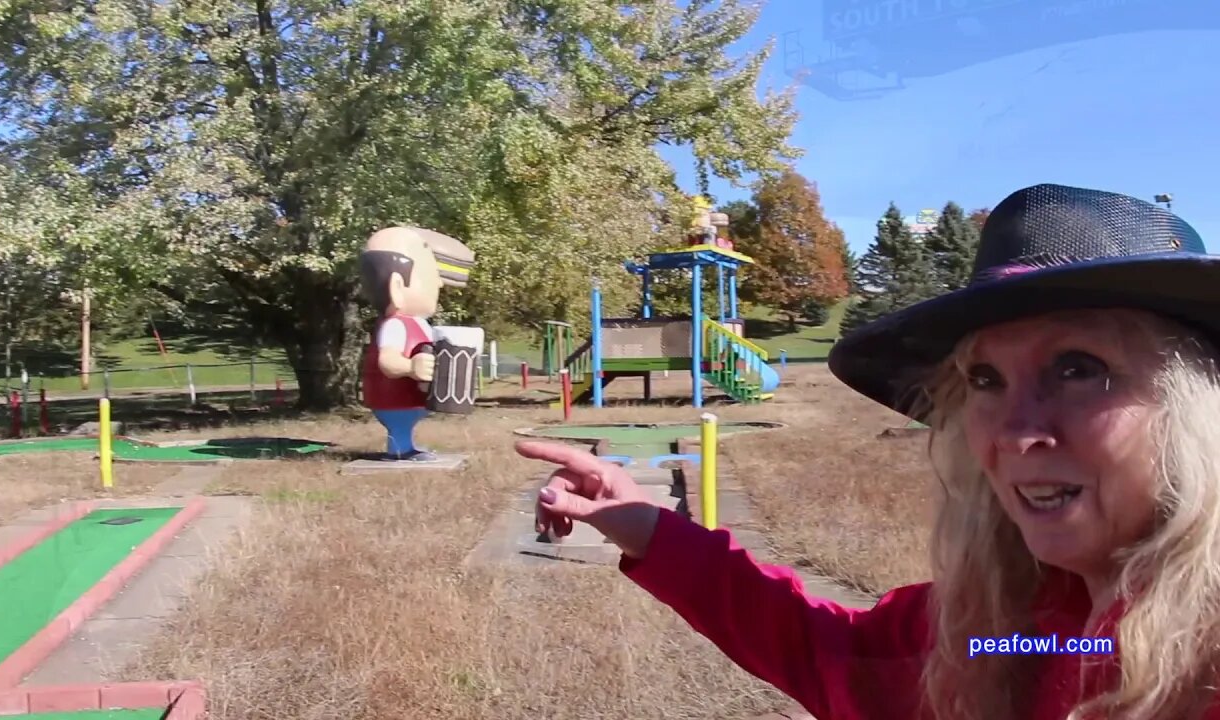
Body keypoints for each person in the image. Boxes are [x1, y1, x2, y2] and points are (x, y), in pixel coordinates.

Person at [515, 183, 1220, 719]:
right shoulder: (1016, 631)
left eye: (1077, 369)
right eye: (985, 379)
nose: (1012, 430)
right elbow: (833, 654)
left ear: (1196, 402)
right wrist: (646, 526)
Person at [359, 226, 474, 462]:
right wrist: (410, 367)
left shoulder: (419, 324)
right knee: (400, 420)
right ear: (398, 288)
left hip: (412, 396)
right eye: (432, 277)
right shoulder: (395, 326)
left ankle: (406, 444)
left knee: (408, 418)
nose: (440, 285)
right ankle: (399, 448)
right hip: (394, 396)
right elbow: (388, 361)